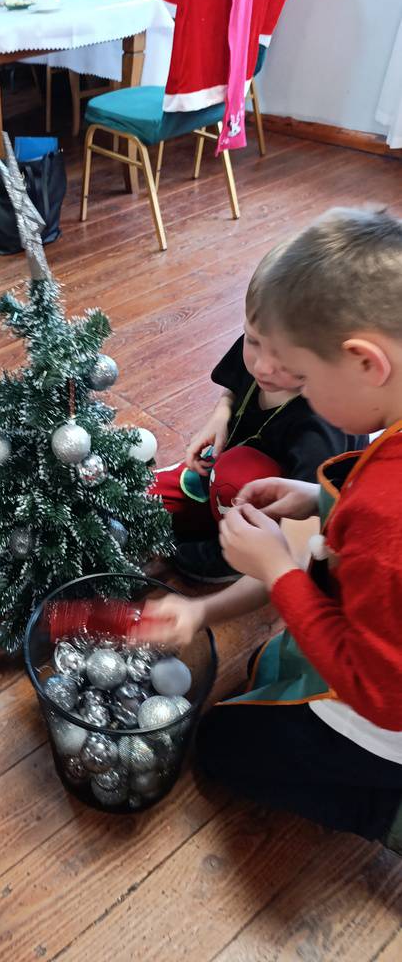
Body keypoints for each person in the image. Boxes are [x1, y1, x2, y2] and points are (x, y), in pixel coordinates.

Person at [143, 207, 402, 852]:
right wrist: (315, 496)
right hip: (368, 638)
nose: (293, 387)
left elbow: (381, 696)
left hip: (385, 718)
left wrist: (279, 572)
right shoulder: (386, 451)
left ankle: (391, 816)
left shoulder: (387, 523)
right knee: (264, 672)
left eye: (305, 378)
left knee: (221, 749)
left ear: (366, 363)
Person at [150, 280, 365, 583]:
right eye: (252, 340)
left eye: (285, 359)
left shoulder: (320, 429)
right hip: (219, 465)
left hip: (263, 498)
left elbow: (303, 519)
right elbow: (232, 388)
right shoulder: (262, 345)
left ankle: (231, 556)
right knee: (149, 494)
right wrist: (221, 415)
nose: (262, 367)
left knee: (238, 471)